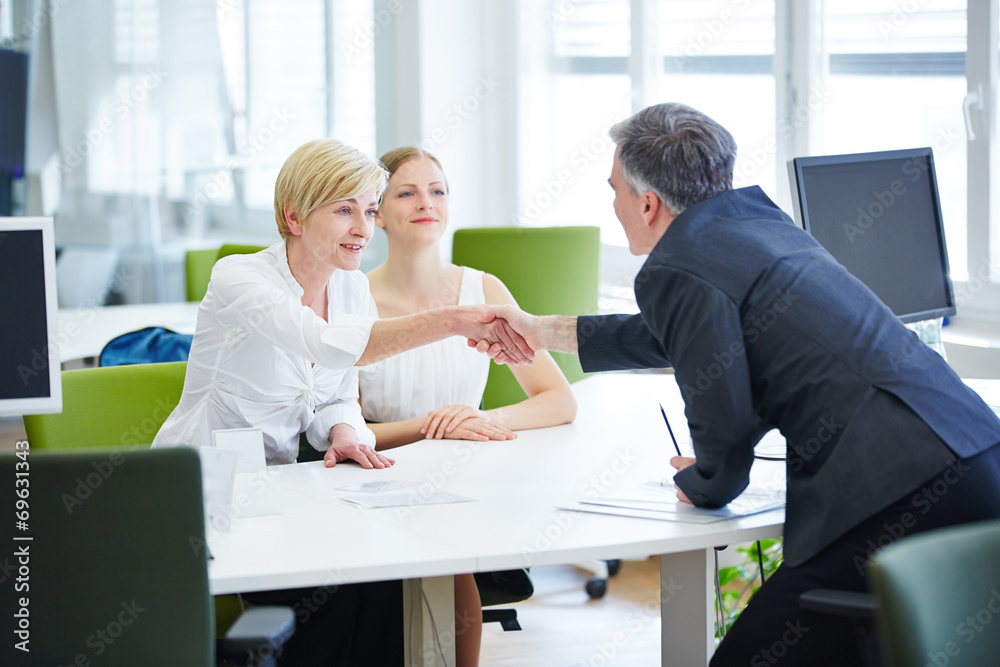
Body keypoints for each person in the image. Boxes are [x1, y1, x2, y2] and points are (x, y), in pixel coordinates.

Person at [480, 102, 1000, 665]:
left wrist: (704, 482)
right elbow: (678, 336)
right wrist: (537, 331)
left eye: (615, 191)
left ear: (648, 203)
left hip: (894, 489)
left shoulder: (677, 266)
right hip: (975, 455)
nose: (614, 206)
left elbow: (724, 438)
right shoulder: (759, 226)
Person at [152, 138, 530, 666]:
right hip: (206, 491)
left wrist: (344, 431)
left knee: (382, 576)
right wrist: (451, 318)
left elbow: (334, 393)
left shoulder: (350, 289)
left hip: (281, 488)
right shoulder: (239, 278)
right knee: (323, 601)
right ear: (295, 216)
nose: (363, 228)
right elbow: (324, 343)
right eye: (344, 209)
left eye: (369, 211)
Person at [358, 146, 578, 666]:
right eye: (406, 193)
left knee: (448, 549)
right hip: (372, 479)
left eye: (437, 191)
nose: (425, 203)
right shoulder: (350, 299)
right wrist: (431, 429)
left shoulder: (483, 289)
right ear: (378, 213)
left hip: (462, 476)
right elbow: (340, 432)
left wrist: (480, 421)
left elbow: (559, 400)